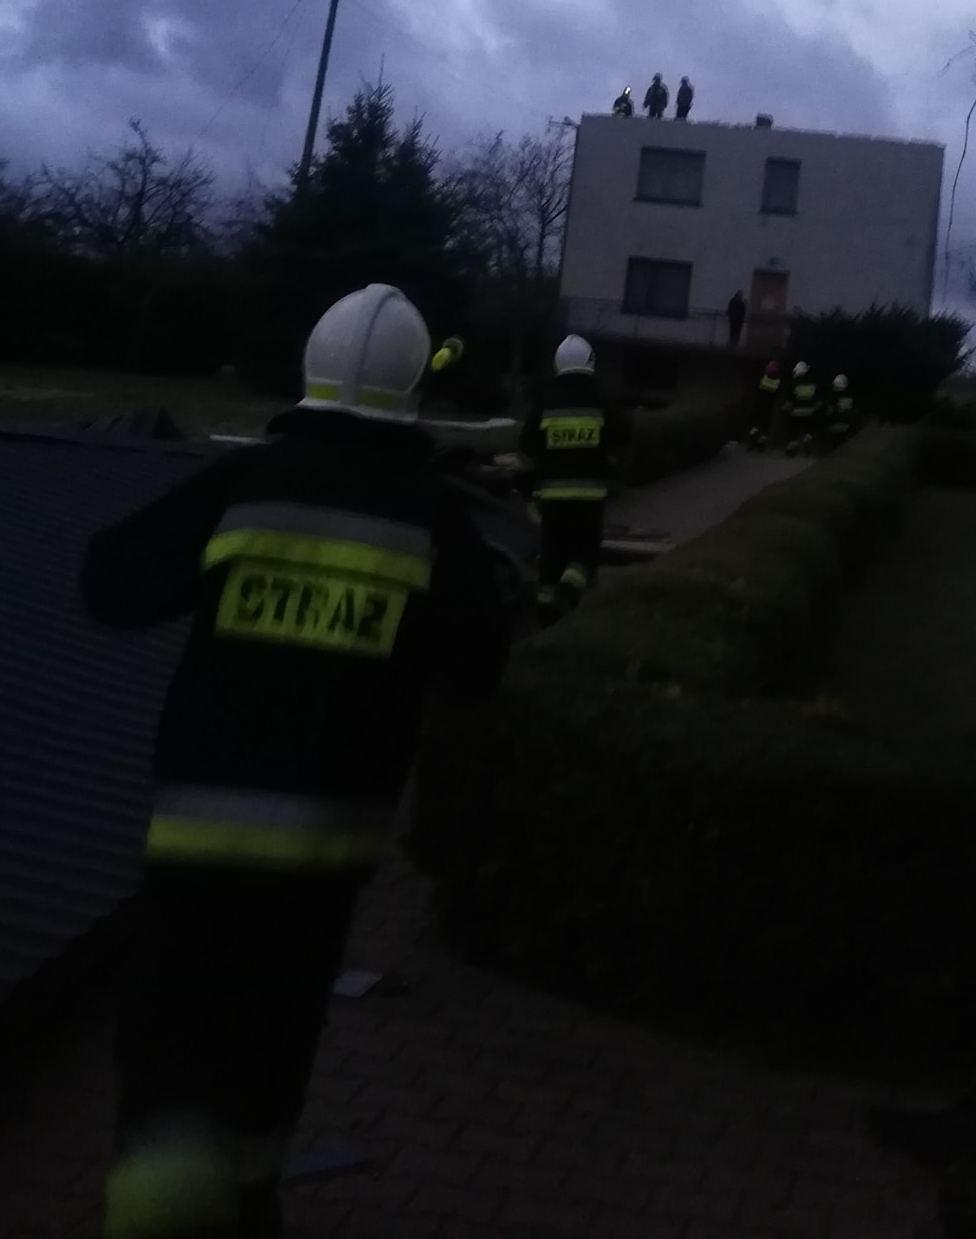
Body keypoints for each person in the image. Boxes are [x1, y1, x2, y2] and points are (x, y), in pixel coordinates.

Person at [81, 285, 510, 1239]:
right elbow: (477, 667)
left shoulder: (246, 483)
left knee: (170, 1037)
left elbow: (108, 584)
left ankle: (155, 1194)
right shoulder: (433, 516)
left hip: (196, 845)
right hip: (322, 859)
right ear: (412, 389)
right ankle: (245, 1201)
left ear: (311, 370)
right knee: (274, 1041)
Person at [521, 334, 627, 625]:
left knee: (551, 555)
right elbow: (622, 434)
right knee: (585, 551)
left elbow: (526, 448)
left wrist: (530, 487)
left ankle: (545, 615)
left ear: (558, 363)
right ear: (590, 362)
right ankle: (569, 589)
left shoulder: (545, 402)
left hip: (553, 499)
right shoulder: (601, 400)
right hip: (590, 498)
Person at [785, 360, 821, 456]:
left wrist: (786, 409)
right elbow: (818, 401)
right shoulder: (813, 383)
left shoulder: (794, 383)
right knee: (808, 430)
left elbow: (789, 401)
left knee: (794, 432)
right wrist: (814, 410)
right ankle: (807, 441)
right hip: (810, 412)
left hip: (796, 412)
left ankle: (792, 450)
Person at [746, 358, 781, 451]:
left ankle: (752, 440)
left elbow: (755, 387)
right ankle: (760, 445)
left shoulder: (763, 378)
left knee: (753, 423)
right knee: (765, 426)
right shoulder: (777, 381)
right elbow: (777, 393)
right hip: (768, 406)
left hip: (758, 404)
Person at [826, 374, 858, 450]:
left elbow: (829, 412)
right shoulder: (851, 396)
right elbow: (854, 411)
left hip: (835, 426)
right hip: (849, 426)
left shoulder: (834, 397)